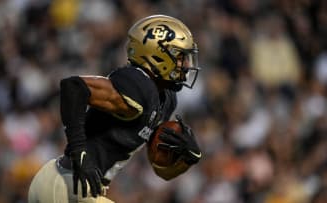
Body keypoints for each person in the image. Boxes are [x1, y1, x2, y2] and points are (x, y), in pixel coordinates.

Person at [28, 14, 202, 203]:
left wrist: (184, 158)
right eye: (180, 57)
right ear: (157, 55)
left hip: (69, 185)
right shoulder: (139, 86)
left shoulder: (167, 99)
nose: (186, 65)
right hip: (66, 183)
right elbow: (74, 87)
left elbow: (161, 171)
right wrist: (79, 152)